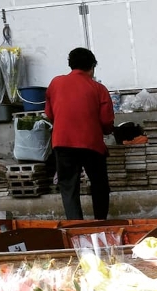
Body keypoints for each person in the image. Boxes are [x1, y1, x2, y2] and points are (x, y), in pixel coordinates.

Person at [45, 47, 115, 220]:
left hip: (62, 143)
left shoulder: (55, 83)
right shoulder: (99, 88)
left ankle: (76, 226)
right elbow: (107, 122)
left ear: (70, 65)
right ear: (92, 67)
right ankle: (100, 223)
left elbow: (49, 114)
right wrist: (104, 131)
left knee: (68, 187)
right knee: (99, 185)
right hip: (91, 144)